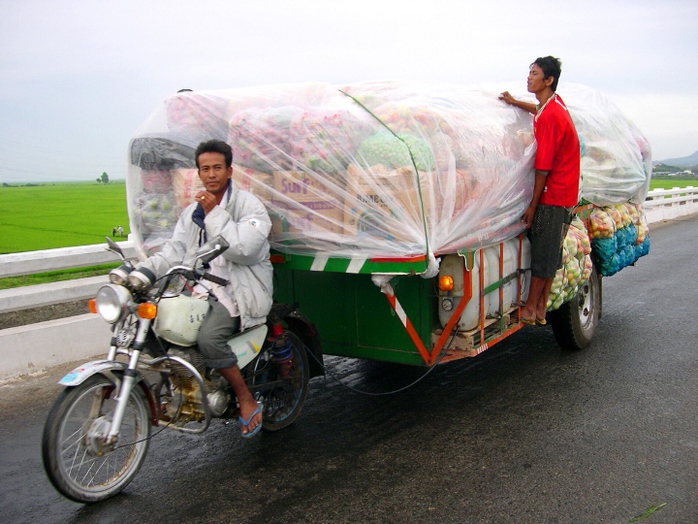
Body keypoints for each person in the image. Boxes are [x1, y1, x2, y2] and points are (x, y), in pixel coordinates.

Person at [125, 139, 273, 437]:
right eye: (205, 169)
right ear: (199, 173)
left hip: (237, 292)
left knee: (209, 339)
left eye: (217, 167)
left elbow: (244, 248)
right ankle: (185, 384)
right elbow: (173, 251)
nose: (211, 174)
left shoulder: (249, 206)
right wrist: (143, 271)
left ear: (229, 171)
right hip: (199, 290)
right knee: (155, 322)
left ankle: (246, 399)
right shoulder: (192, 212)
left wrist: (214, 214)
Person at [499, 56, 580, 326]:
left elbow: (542, 169)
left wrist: (533, 205)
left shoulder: (552, 116)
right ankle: (542, 308)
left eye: (535, 74)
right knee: (552, 252)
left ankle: (531, 308)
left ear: (549, 80)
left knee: (543, 255)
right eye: (529, 72)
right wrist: (514, 102)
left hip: (554, 195)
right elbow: (537, 109)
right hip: (565, 192)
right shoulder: (552, 105)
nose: (529, 77)